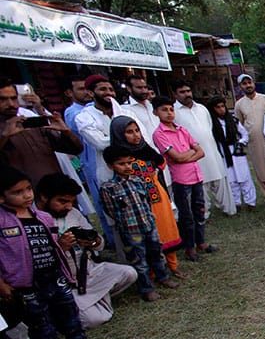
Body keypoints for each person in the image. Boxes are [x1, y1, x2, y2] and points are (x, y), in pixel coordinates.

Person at [0, 166, 101, 339]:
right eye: (17, 192)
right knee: (40, 323)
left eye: (28, 189)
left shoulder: (43, 217)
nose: (27, 195)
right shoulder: (2, 221)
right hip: (26, 283)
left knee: (68, 311)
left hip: (54, 274)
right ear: (2, 198)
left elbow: (54, 245)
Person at [35, 172, 137, 328]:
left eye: (71, 202)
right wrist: (60, 248)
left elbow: (99, 242)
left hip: (88, 272)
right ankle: (87, 303)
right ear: (43, 197)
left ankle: (87, 302)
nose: (68, 206)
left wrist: (93, 242)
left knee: (129, 273)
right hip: (63, 281)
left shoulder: (73, 213)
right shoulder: (32, 221)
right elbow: (34, 263)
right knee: (95, 319)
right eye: (62, 201)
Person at [99, 145, 179, 302]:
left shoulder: (138, 181)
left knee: (156, 253)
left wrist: (150, 218)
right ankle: (146, 289)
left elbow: (146, 202)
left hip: (148, 224)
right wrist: (126, 223)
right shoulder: (109, 188)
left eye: (129, 163)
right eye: (121, 164)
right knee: (139, 260)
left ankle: (163, 277)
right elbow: (111, 210)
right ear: (111, 166)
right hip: (130, 231)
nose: (127, 167)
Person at [110, 116, 186, 278]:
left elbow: (160, 162)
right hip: (138, 204)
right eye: (129, 132)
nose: (136, 135)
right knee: (149, 236)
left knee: (167, 229)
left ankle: (173, 266)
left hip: (158, 196)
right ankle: (153, 272)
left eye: (137, 130)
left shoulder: (146, 149)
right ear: (119, 134)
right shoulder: (121, 159)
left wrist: (154, 173)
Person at [152, 95, 212, 262]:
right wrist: (190, 154)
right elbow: (175, 157)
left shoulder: (182, 130)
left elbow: (201, 152)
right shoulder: (159, 134)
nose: (169, 113)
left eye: (171, 109)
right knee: (186, 216)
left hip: (196, 175)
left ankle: (201, 242)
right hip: (181, 180)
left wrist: (185, 156)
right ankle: (189, 248)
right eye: (164, 110)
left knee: (199, 211)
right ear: (155, 112)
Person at [0, 77, 83, 189]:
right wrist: (4, 136)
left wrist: (66, 132)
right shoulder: (5, 131)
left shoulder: (31, 121)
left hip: (56, 191)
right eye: (3, 99)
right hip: (23, 196)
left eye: (14, 98)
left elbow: (75, 149)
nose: (11, 104)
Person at [75, 74, 126, 247]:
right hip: (106, 170)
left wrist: (112, 137)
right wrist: (125, 137)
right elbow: (99, 143)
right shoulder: (84, 117)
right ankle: (123, 252)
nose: (108, 93)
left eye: (110, 89)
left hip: (132, 168)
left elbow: (140, 138)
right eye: (102, 89)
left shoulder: (124, 111)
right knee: (115, 215)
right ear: (91, 93)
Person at [172, 80, 237, 217]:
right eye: (182, 92)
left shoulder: (201, 108)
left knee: (220, 180)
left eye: (188, 91)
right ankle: (204, 214)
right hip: (194, 156)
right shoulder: (174, 112)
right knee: (200, 186)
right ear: (175, 94)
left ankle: (229, 209)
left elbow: (209, 129)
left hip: (212, 152)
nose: (187, 94)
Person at [233, 74, 265, 205]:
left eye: (249, 82)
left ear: (254, 83)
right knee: (261, 169)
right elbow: (240, 124)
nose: (248, 85)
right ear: (240, 86)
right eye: (244, 84)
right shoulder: (239, 104)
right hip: (255, 142)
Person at [209, 97, 256, 211]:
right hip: (223, 153)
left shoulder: (233, 120)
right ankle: (236, 203)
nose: (221, 109)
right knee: (231, 180)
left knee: (244, 177)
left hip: (236, 152)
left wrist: (240, 143)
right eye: (218, 107)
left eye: (222, 106)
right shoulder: (211, 124)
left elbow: (244, 134)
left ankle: (250, 202)